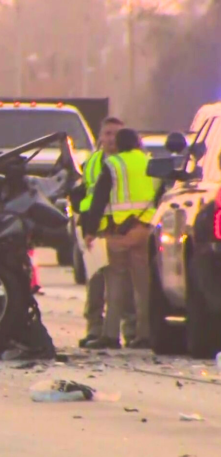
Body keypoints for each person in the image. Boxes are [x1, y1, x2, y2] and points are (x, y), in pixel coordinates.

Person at [81, 128, 157, 349]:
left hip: (119, 232)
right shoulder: (149, 161)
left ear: (119, 144)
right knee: (143, 285)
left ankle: (110, 335)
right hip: (145, 230)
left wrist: (90, 230)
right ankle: (144, 334)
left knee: (115, 282)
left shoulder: (114, 164)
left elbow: (99, 199)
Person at [73, 117, 136, 348]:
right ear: (100, 137)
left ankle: (130, 330)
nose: (111, 139)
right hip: (96, 231)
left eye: (116, 134)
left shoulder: (128, 162)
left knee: (125, 285)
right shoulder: (92, 162)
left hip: (121, 231)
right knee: (95, 284)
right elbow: (87, 192)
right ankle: (94, 330)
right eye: (108, 133)